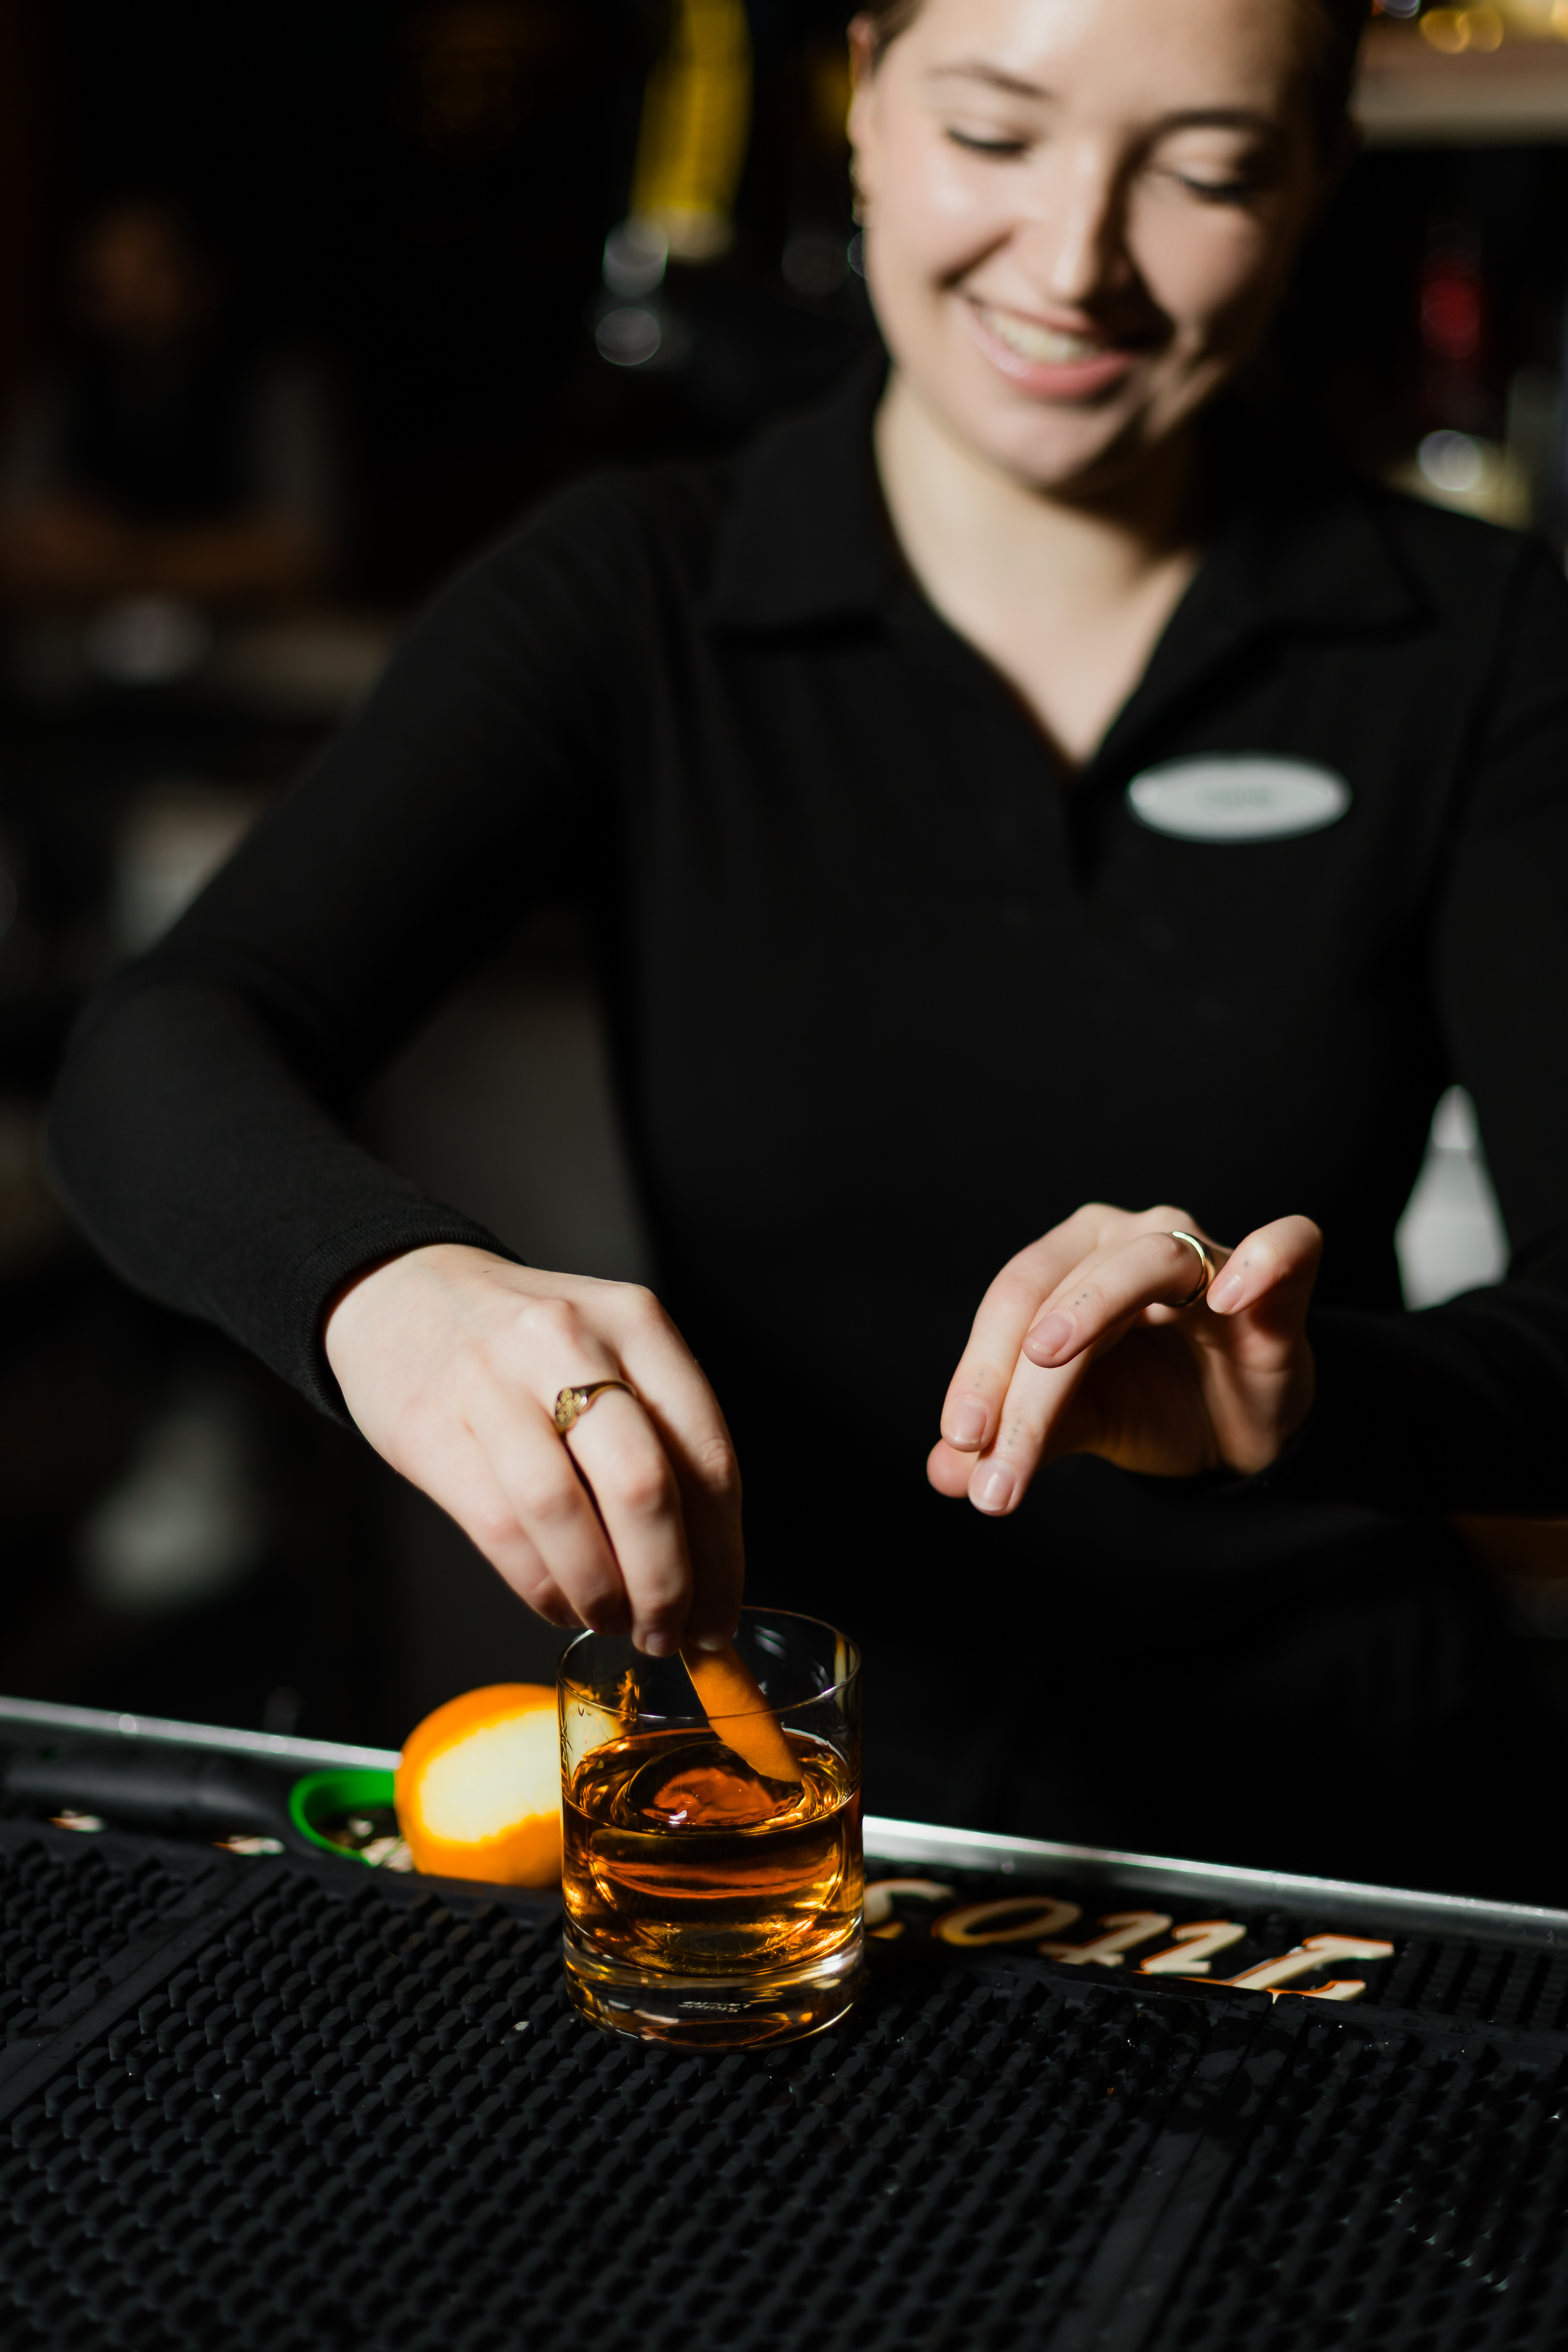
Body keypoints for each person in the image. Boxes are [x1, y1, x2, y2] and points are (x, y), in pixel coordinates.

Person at [48, 0, 1568, 1900]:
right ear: (863, 101)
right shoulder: (634, 585)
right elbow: (164, 1041)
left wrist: (1303, 1392)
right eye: (998, 134)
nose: (1075, 257)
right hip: (807, 1787)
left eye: (1203, 168)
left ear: (1320, 178)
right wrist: (395, 1287)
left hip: (1355, 1821)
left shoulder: (1481, 639)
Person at [0, 198, 335, 609]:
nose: (128, 301)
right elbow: (18, 540)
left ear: (204, 281)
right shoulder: (63, 387)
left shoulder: (275, 381)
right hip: (84, 645)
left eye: (150, 273)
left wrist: (123, 554)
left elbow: (301, 558)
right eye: (107, 283)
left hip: (246, 646)